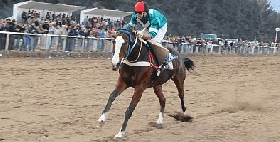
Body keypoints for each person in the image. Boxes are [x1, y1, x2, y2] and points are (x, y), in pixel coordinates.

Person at [125, 0, 174, 70]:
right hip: (148, 27)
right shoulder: (135, 15)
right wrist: (120, 32)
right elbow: (129, 26)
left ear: (145, 13)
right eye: (136, 13)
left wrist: (142, 35)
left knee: (153, 42)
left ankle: (168, 58)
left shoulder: (153, 17)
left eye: (139, 13)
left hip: (160, 27)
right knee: (139, 39)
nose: (137, 15)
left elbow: (151, 35)